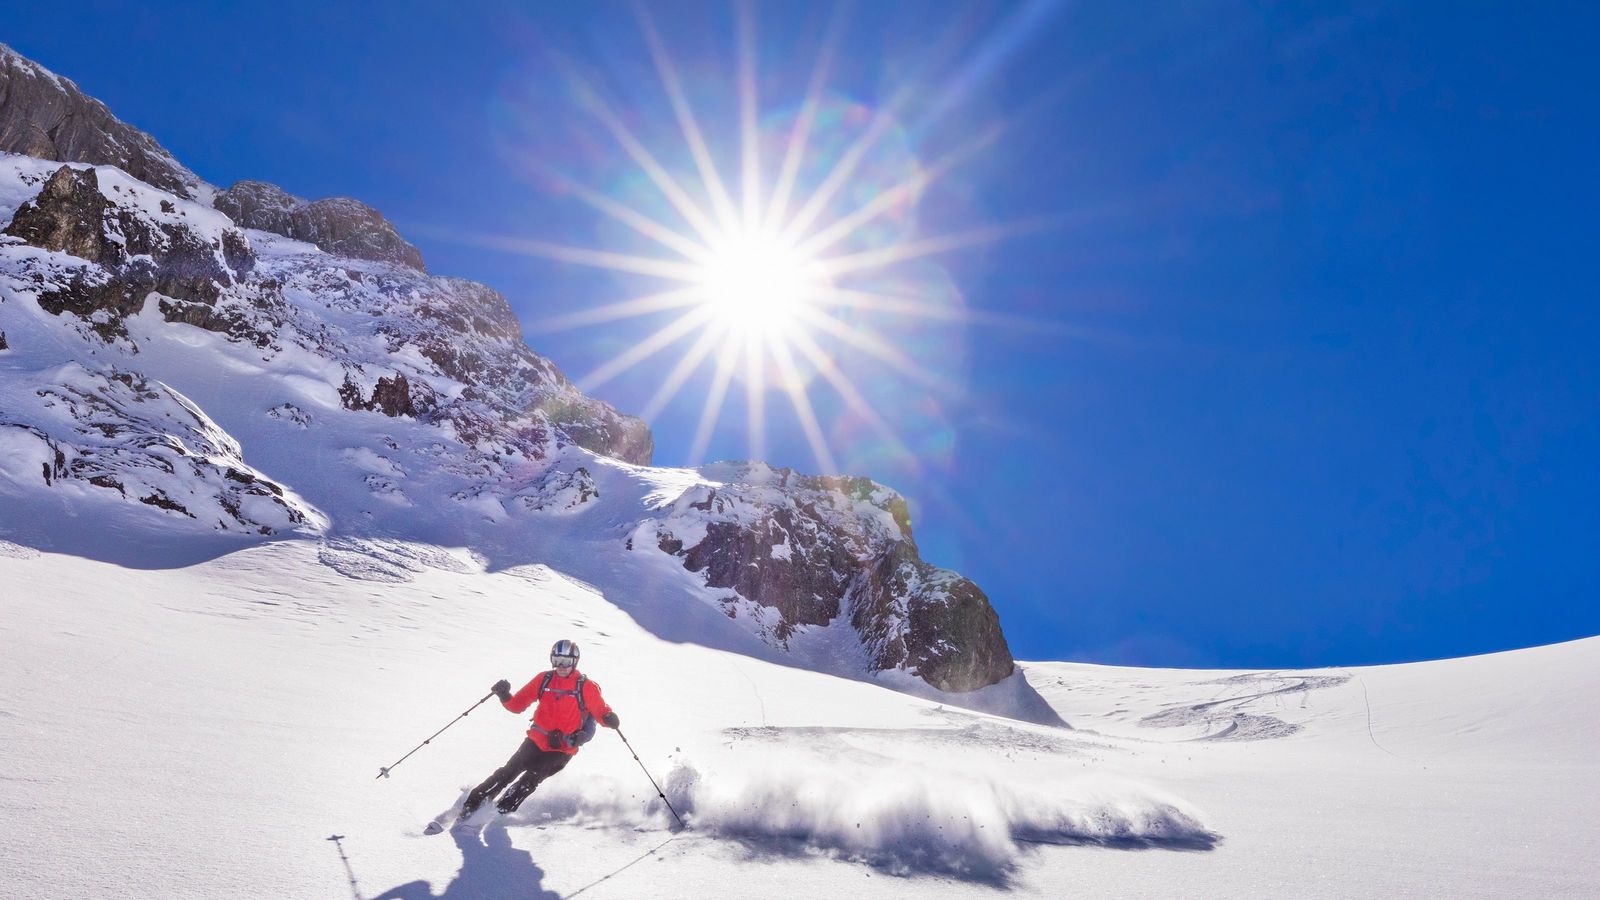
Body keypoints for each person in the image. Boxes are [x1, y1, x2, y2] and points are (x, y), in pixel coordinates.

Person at [454, 639, 620, 825]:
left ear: (575, 662)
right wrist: (504, 695)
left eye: (566, 662)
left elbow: (600, 711)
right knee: (507, 772)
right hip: (535, 740)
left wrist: (609, 718)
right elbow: (517, 705)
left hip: (563, 748)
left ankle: (498, 814)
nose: (561, 666)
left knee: (531, 779)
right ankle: (472, 805)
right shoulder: (544, 679)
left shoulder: (586, 687)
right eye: (557, 660)